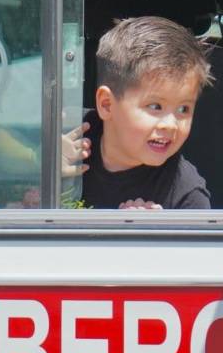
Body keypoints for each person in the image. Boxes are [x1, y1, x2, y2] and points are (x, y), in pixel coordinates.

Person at [81, 16, 213, 210]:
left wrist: (155, 236)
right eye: (155, 106)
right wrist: (42, 165)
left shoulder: (185, 196)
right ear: (107, 104)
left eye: (183, 109)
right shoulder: (70, 133)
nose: (170, 124)